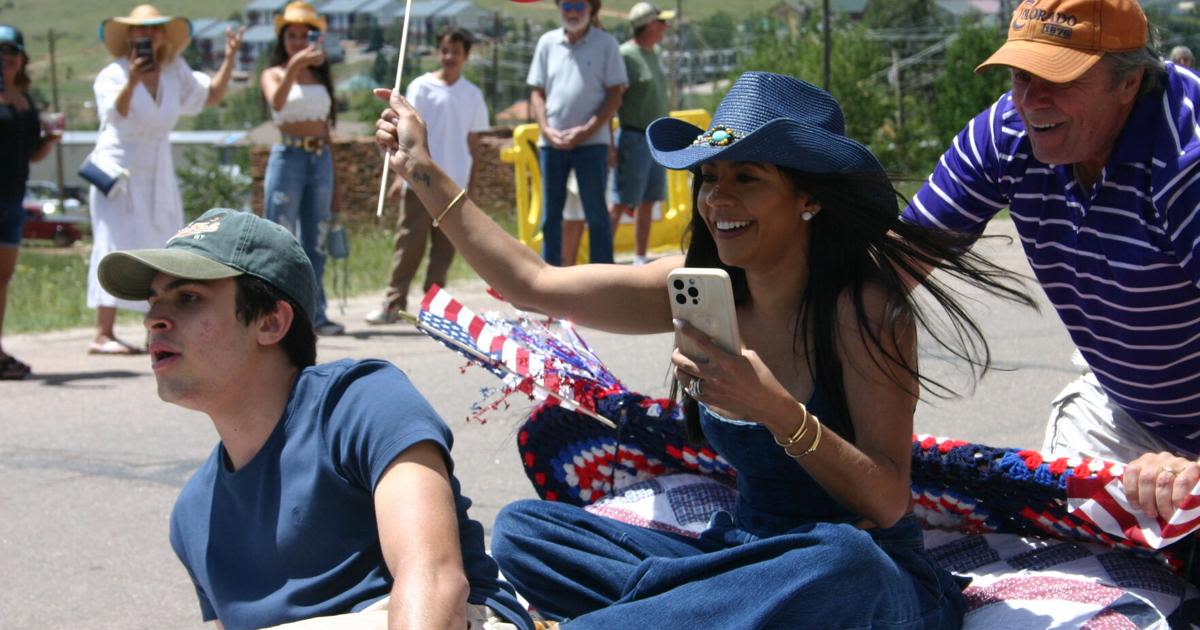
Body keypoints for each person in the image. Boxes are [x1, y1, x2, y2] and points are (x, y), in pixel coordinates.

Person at [375, 71, 1032, 627]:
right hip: (741, 557)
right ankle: (697, 611)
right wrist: (422, 169)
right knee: (528, 531)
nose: (718, 199)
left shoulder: (864, 310)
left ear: (807, 199)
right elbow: (533, 284)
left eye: (747, 178)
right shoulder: (696, 288)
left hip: (856, 570)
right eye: (709, 177)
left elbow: (887, 501)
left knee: (842, 563)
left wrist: (776, 410)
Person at [95, 208, 533, 630]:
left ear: (270, 321)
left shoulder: (360, 401)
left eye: (188, 298)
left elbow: (435, 581)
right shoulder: (192, 515)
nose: (155, 319)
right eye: (153, 301)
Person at [902, 0, 1200, 521]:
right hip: (1124, 411)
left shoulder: (1186, 160)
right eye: (1021, 75)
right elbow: (891, 266)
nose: (1031, 100)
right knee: (1073, 563)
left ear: (1129, 81)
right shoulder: (1006, 134)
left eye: (1058, 80)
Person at [86, 4, 243, 354]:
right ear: (129, 35)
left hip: (158, 169)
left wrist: (230, 58)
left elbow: (210, 96)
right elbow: (117, 112)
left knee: (159, 242)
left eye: (155, 29)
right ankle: (103, 331)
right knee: (113, 243)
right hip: (120, 170)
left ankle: (156, 325)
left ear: (162, 34)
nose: (148, 35)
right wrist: (133, 79)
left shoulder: (175, 71)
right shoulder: (112, 74)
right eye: (141, 30)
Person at [364, 26, 489, 325]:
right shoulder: (421, 87)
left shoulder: (473, 95)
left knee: (444, 249)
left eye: (456, 52)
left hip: (453, 182)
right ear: (438, 51)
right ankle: (394, 302)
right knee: (409, 242)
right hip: (419, 180)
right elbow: (403, 136)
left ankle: (435, 307)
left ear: (466, 56)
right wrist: (398, 178)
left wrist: (472, 184)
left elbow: (475, 144)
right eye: (445, 50)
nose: (449, 57)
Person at [261, 1, 344, 337]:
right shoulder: (275, 73)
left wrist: (335, 179)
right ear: (282, 40)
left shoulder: (320, 76)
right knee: (281, 237)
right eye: (290, 36)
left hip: (319, 156)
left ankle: (315, 312)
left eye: (302, 35)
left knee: (316, 239)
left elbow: (326, 127)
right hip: (289, 156)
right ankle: (274, 311)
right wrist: (295, 65)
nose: (296, 42)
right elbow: (277, 102)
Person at [527, 0, 627, 266]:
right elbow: (537, 92)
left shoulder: (607, 44)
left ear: (591, 9)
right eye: (567, 4)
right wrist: (546, 130)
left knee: (597, 216)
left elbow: (615, 94)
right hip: (552, 143)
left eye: (579, 5)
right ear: (559, 7)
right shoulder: (547, 42)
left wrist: (586, 131)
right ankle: (550, 281)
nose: (572, 12)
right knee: (550, 217)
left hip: (592, 144)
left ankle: (603, 279)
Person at [0, 24, 59, 379]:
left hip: (13, 196)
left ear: (22, 58)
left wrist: (50, 139)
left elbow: (31, 154)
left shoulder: (25, 100)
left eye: (11, 52)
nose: (4, 59)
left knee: (2, 278)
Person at [609, 2, 673, 266]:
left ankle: (639, 257)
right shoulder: (625, 55)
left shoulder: (653, 53)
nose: (665, 27)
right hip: (634, 138)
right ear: (649, 25)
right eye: (661, 22)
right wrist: (610, 143)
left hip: (655, 140)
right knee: (622, 201)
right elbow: (613, 100)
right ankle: (601, 255)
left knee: (649, 200)